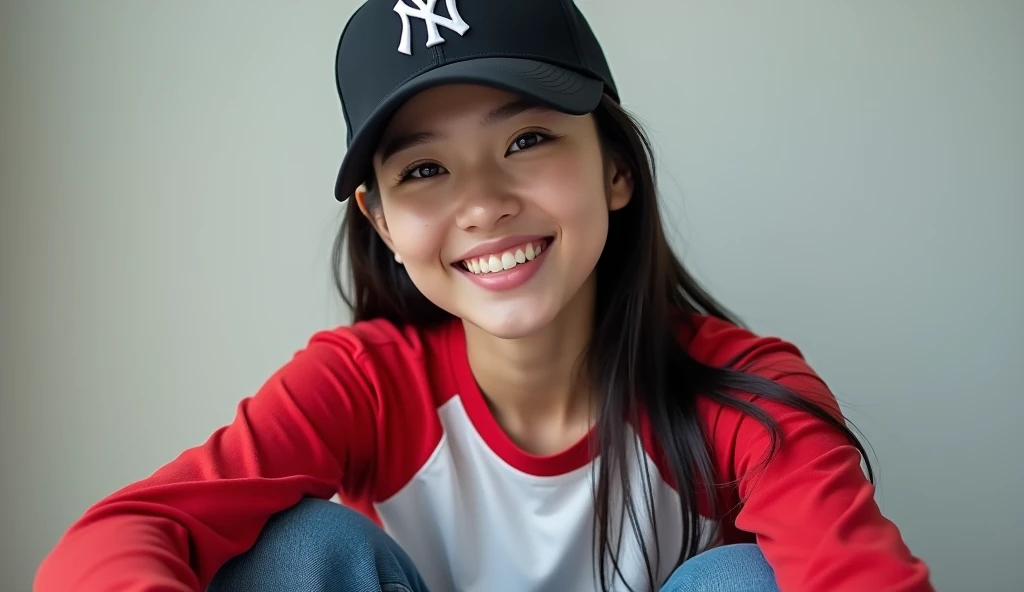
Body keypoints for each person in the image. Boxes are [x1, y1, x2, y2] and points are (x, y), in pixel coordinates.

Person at [35, 0, 935, 590]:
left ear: (615, 167)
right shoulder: (366, 384)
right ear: (380, 220)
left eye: (528, 140)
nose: (481, 204)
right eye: (424, 169)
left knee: (743, 580)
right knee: (299, 551)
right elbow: (116, 540)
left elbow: (854, 574)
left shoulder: (733, 385)